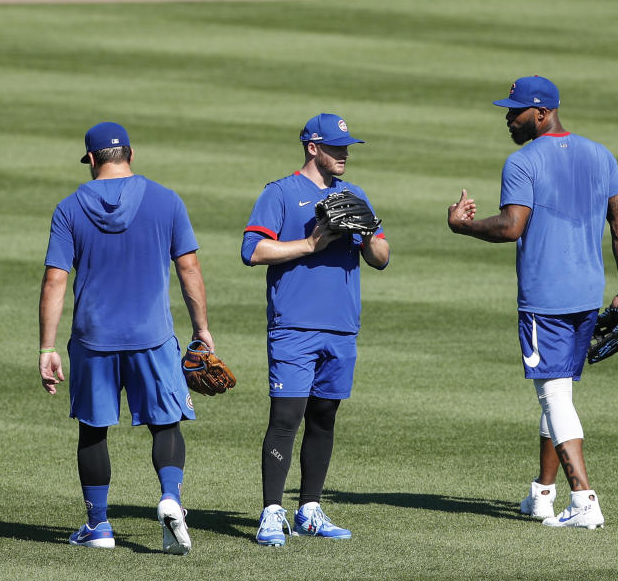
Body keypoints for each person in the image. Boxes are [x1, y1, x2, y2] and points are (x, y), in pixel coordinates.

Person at [447, 76, 618, 529]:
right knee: (560, 395)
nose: (508, 118)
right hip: (588, 294)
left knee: (552, 395)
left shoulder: (523, 161)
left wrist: (462, 226)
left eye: (516, 111)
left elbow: (512, 226)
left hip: (545, 299)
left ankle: (585, 501)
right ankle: (542, 494)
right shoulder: (600, 154)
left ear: (542, 112)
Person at [39, 121, 214, 554]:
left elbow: (55, 280)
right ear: (131, 155)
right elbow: (188, 268)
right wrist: (202, 330)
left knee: (93, 430)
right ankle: (171, 497)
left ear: (93, 160)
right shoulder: (166, 200)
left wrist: (46, 346)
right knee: (165, 423)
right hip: (152, 336)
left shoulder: (69, 208)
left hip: (93, 339)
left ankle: (98, 526)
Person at [241, 113, 390, 546]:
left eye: (347, 147)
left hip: (341, 328)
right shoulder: (281, 194)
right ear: (312, 147)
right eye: (336, 147)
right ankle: (272, 513)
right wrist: (309, 245)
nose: (344, 155)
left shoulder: (354, 194)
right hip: (294, 327)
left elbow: (381, 257)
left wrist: (366, 236)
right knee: (286, 418)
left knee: (324, 418)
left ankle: (309, 509)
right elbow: (252, 250)